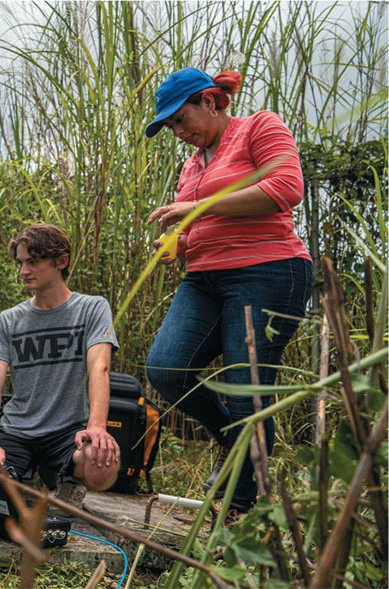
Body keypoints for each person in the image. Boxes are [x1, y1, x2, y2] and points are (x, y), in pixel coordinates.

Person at [143, 68, 312, 513]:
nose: (178, 132)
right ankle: (233, 440)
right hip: (204, 279)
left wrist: (197, 206)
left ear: (210, 101)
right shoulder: (191, 165)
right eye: (171, 127)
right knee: (166, 369)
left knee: (246, 388)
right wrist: (175, 243)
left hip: (269, 271)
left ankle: (240, 509)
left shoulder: (260, 127)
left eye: (181, 119)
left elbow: (286, 187)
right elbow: (199, 228)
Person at [0, 223, 121, 520]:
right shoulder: (9, 320)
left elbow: (100, 368)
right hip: (18, 430)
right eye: (21, 263)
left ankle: (65, 480)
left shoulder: (92, 308)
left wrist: (97, 426)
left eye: (33, 262)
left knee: (103, 467)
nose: (24, 271)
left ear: (60, 261)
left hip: (67, 431)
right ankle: (25, 484)